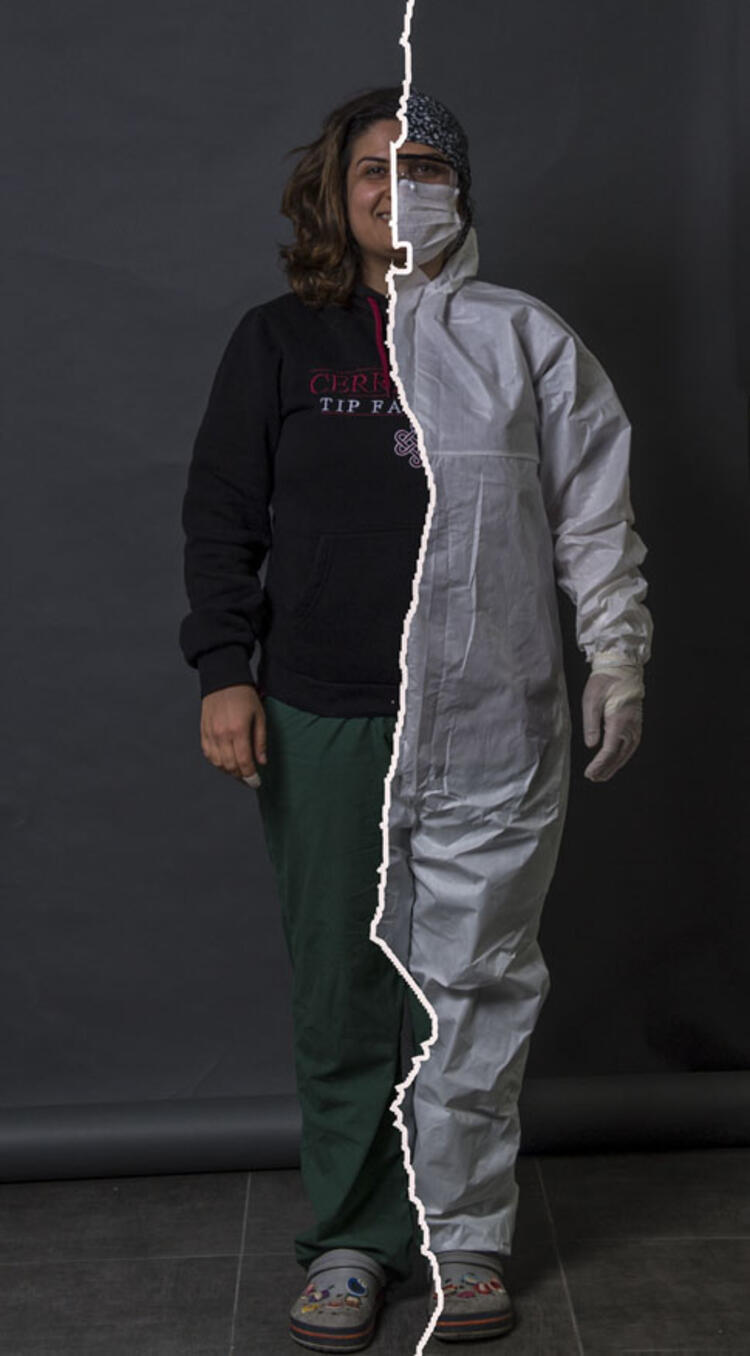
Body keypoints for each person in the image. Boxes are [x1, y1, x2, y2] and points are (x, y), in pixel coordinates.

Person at [179, 86, 653, 1352]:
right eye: (373, 168)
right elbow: (222, 514)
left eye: (426, 164)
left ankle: (463, 1238)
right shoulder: (281, 342)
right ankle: (352, 1238)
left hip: (498, 715)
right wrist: (224, 667)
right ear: (336, 195)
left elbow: (595, 514)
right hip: (327, 713)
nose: (399, 187)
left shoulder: (525, 339)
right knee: (346, 988)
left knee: (475, 988)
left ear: (461, 189)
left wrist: (617, 654)